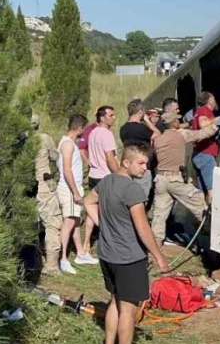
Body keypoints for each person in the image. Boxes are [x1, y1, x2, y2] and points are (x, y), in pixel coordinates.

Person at [82, 144, 170, 344]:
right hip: (129, 257)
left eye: (147, 164)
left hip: (107, 254)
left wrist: (102, 225)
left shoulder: (107, 181)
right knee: (128, 311)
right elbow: (143, 228)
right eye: (141, 163)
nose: (145, 168)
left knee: (114, 302)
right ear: (126, 162)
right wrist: (159, 256)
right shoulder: (132, 190)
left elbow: (87, 201)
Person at [149, 110, 218, 244]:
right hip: (176, 180)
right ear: (174, 122)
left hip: (160, 180)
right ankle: (209, 234)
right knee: (200, 205)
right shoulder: (181, 135)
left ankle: (154, 246)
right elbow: (202, 134)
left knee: (159, 216)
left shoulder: (158, 140)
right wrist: (216, 125)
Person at [57, 115, 94, 273]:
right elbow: (67, 170)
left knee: (76, 221)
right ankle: (63, 258)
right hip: (69, 188)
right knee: (69, 223)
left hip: (75, 187)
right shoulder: (67, 144)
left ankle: (80, 252)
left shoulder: (70, 143)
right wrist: (75, 192)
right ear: (79, 128)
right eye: (83, 129)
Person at [84, 106, 119, 260]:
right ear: (103, 118)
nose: (114, 118)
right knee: (108, 212)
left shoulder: (93, 132)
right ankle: (109, 244)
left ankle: (86, 244)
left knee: (92, 210)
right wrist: (119, 174)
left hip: (93, 174)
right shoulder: (106, 134)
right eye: (111, 115)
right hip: (105, 175)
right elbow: (110, 158)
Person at [32, 114, 61, 276]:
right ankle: (51, 266)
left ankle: (33, 262)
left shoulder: (15, 138)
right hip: (43, 184)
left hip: (22, 185)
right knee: (52, 223)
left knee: (30, 225)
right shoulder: (43, 138)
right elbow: (55, 157)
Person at [119, 99, 159, 195]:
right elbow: (158, 134)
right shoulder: (140, 128)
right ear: (140, 111)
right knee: (141, 195)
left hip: (129, 164)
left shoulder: (123, 128)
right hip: (142, 165)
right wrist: (147, 121)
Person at [191, 91, 220, 202]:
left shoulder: (199, 111)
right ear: (210, 100)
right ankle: (213, 214)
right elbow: (203, 124)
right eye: (213, 98)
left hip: (200, 154)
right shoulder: (204, 110)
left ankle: (202, 216)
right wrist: (217, 119)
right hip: (205, 154)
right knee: (212, 189)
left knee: (202, 190)